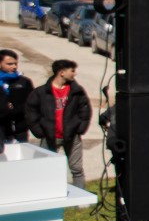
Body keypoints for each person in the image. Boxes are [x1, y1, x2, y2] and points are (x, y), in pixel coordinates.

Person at [25, 58, 90, 188]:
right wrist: (39, 131)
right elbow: (31, 112)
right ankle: (48, 193)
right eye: (72, 71)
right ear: (61, 72)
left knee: (76, 168)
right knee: (45, 167)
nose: (74, 73)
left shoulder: (77, 91)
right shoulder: (41, 92)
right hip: (49, 137)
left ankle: (81, 200)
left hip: (72, 137)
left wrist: (80, 128)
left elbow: (85, 110)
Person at [0, 49, 32, 144]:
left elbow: (31, 102)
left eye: (15, 64)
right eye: (9, 64)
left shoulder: (24, 82)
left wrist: (15, 109)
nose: (14, 67)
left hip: (20, 127)